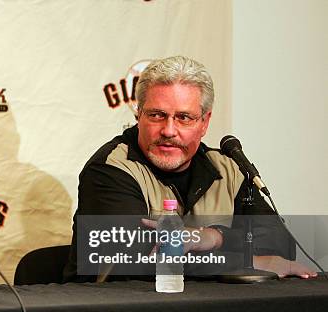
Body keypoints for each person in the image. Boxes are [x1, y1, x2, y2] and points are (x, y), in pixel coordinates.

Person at [63, 55, 317, 283]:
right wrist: (252, 261)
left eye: (184, 117)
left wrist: (212, 237)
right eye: (157, 115)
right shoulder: (111, 169)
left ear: (204, 122)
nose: (169, 130)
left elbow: (281, 245)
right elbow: (135, 262)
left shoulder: (228, 169)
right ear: (138, 115)